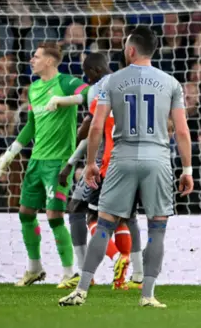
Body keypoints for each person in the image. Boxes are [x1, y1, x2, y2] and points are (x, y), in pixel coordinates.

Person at [59, 26, 194, 307]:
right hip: (157, 159)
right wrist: (187, 169)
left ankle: (81, 290)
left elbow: (96, 126)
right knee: (157, 228)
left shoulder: (112, 81)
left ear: (131, 50)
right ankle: (148, 294)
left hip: (121, 157)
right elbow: (181, 131)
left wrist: (90, 164)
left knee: (104, 224)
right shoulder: (171, 83)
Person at [0, 42, 90, 287]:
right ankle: (34, 268)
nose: (32, 60)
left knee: (54, 215)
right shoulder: (34, 88)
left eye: (36, 57)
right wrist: (9, 154)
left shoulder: (66, 82)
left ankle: (70, 273)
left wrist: (63, 100)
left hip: (58, 162)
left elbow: (91, 93)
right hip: (36, 161)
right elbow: (31, 126)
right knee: (26, 213)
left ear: (49, 61)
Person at [52, 52, 143, 290]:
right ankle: (130, 275)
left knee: (84, 213)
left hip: (105, 163)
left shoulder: (99, 92)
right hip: (136, 162)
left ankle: (103, 265)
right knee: (123, 216)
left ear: (93, 72)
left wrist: (74, 162)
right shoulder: (136, 94)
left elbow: (89, 130)